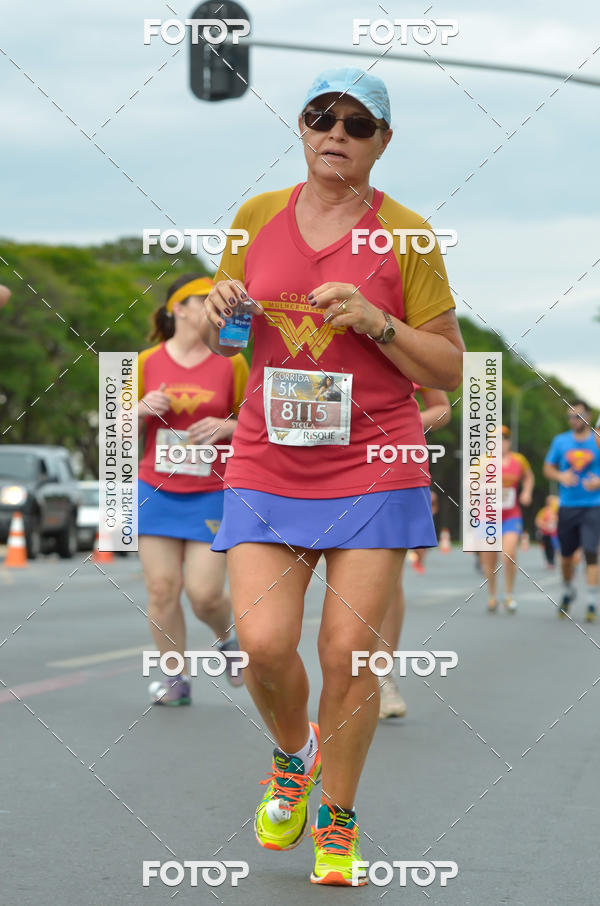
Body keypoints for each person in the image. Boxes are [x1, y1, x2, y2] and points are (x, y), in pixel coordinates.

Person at [200, 68, 465, 886]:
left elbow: (449, 368)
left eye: (356, 123)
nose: (336, 134)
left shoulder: (408, 236)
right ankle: (294, 757)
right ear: (303, 127)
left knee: (349, 653)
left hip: (373, 464)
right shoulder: (255, 216)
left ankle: (338, 822)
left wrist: (379, 323)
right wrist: (219, 309)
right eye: (322, 117)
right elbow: (224, 339)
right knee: (263, 644)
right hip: (268, 459)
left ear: (383, 140)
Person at [137, 274, 249, 703]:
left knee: (204, 595)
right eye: (203, 299)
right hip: (154, 489)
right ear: (178, 309)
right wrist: (139, 410)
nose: (213, 304)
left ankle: (228, 640)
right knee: (162, 589)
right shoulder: (144, 361)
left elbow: (256, 421)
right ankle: (175, 679)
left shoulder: (232, 361)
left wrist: (227, 426)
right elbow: (113, 431)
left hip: (211, 491)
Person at [379, 384, 451, 719]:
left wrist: (406, 423)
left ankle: (381, 677)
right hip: (303, 464)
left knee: (385, 578)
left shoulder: (404, 346)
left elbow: (441, 407)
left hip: (383, 465)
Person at [543, 400, 600, 621]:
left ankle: (592, 603)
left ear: (589, 416)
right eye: (570, 417)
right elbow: (548, 468)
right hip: (567, 506)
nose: (574, 420)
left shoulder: (596, 440)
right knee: (566, 557)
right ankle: (568, 590)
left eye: (578, 416)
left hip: (593, 505)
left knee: (591, 551)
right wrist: (561, 476)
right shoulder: (561, 441)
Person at [480, 425, 534, 613]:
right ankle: (492, 595)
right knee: (489, 559)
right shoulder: (483, 462)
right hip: (488, 517)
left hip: (511, 515)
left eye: (504, 439)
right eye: (495, 439)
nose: (500, 443)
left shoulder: (519, 460)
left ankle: (509, 595)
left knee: (508, 554)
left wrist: (527, 492)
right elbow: (469, 483)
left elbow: (529, 477)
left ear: (509, 442)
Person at [535, 495, 559, 568]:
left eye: (552, 501)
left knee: (554, 547)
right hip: (545, 533)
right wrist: (545, 525)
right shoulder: (543, 511)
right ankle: (549, 561)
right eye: (549, 501)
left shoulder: (556, 510)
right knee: (547, 548)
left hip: (555, 533)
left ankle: (553, 560)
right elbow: (538, 521)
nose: (550, 502)